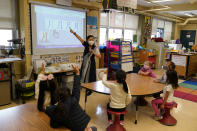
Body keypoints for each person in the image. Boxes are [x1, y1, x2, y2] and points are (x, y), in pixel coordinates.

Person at [45, 65, 97, 131]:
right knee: (91, 128)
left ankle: (88, 129)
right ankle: (88, 129)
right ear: (68, 93)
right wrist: (77, 73)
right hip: (84, 122)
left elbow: (53, 122)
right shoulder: (73, 99)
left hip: (76, 127)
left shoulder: (57, 109)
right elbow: (76, 88)